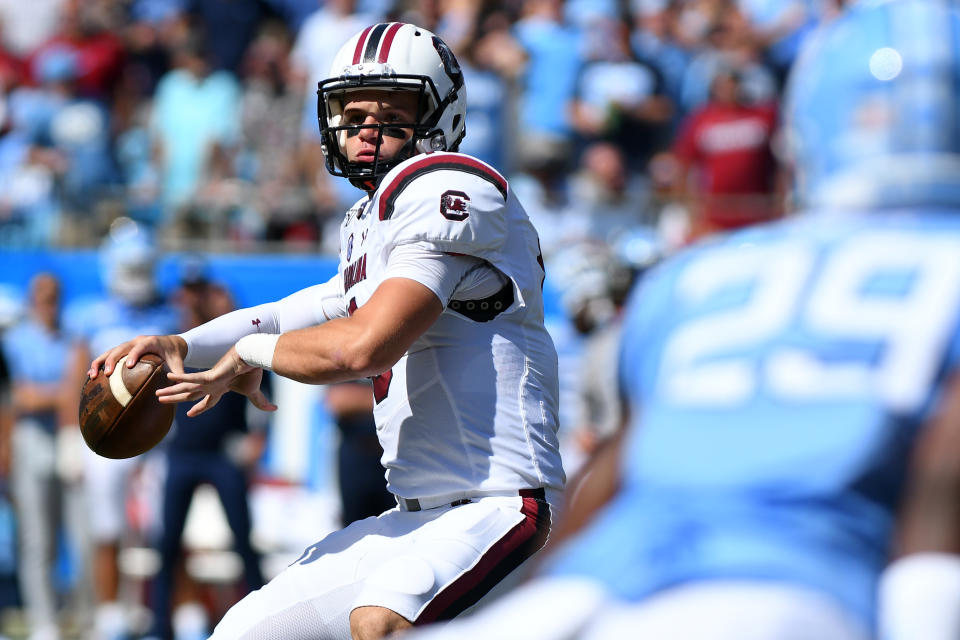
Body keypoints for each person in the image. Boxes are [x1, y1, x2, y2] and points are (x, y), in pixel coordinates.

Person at [398, 0, 960, 638]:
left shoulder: (699, 274)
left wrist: (547, 594)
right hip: (791, 590)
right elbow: (947, 464)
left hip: (597, 584)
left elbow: (621, 466)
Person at [88, 22, 564, 640]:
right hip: (416, 516)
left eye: (392, 114)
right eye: (354, 112)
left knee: (381, 622)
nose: (368, 130)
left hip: (503, 507)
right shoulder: (372, 217)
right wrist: (184, 343)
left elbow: (363, 344)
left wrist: (247, 354)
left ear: (440, 114)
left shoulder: (451, 188)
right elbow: (307, 308)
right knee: (244, 632)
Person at [70, 218, 180, 640]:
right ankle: (111, 614)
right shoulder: (91, 315)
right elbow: (74, 380)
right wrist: (70, 432)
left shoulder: (168, 314)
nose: (136, 277)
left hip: (160, 436)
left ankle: (170, 612)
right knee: (107, 527)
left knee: (165, 529)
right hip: (105, 439)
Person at [145, 266, 267, 640]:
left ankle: (264, 621)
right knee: (166, 545)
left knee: (244, 541)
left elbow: (264, 389)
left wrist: (256, 442)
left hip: (221, 452)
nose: (195, 297)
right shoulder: (172, 338)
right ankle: (160, 628)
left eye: (201, 289)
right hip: (181, 452)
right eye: (189, 289)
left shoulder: (227, 340)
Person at [1, 273, 87, 640]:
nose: (48, 304)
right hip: (32, 437)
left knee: (82, 534)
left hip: (68, 437)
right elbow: (21, 397)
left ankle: (85, 616)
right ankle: (44, 621)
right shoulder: (15, 342)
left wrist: (48, 396)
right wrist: (58, 395)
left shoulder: (73, 340)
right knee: (38, 537)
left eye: (54, 297)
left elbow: (74, 392)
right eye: (42, 297)